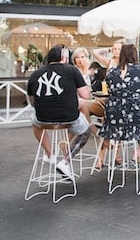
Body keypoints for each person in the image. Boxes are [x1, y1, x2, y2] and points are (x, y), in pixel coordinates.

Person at [27, 44, 92, 181]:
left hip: (43, 118)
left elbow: (33, 102)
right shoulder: (72, 70)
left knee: (35, 122)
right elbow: (86, 96)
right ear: (64, 57)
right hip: (69, 117)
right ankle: (65, 162)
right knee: (85, 131)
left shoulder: (34, 74)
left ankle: (50, 155)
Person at [97, 44, 140, 167]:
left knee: (130, 118)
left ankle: (137, 146)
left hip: (116, 118)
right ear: (135, 54)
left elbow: (109, 91)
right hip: (138, 115)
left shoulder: (112, 71)